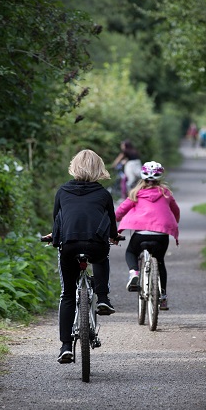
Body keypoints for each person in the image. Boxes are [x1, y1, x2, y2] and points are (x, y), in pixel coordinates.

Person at [48, 149, 121, 364]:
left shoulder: (62, 191)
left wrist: (54, 238)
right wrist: (114, 237)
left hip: (69, 245)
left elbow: (58, 221)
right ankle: (103, 298)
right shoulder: (103, 194)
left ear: (74, 167)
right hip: (96, 244)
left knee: (68, 295)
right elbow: (111, 225)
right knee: (100, 257)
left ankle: (64, 347)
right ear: (99, 169)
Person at [115, 161, 180, 311]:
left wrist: (114, 222)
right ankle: (162, 297)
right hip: (161, 235)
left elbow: (120, 211)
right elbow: (175, 212)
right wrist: (172, 223)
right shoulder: (166, 193)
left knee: (131, 252)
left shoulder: (135, 193)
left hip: (140, 235)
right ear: (160, 179)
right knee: (160, 262)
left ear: (142, 178)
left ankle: (134, 273)